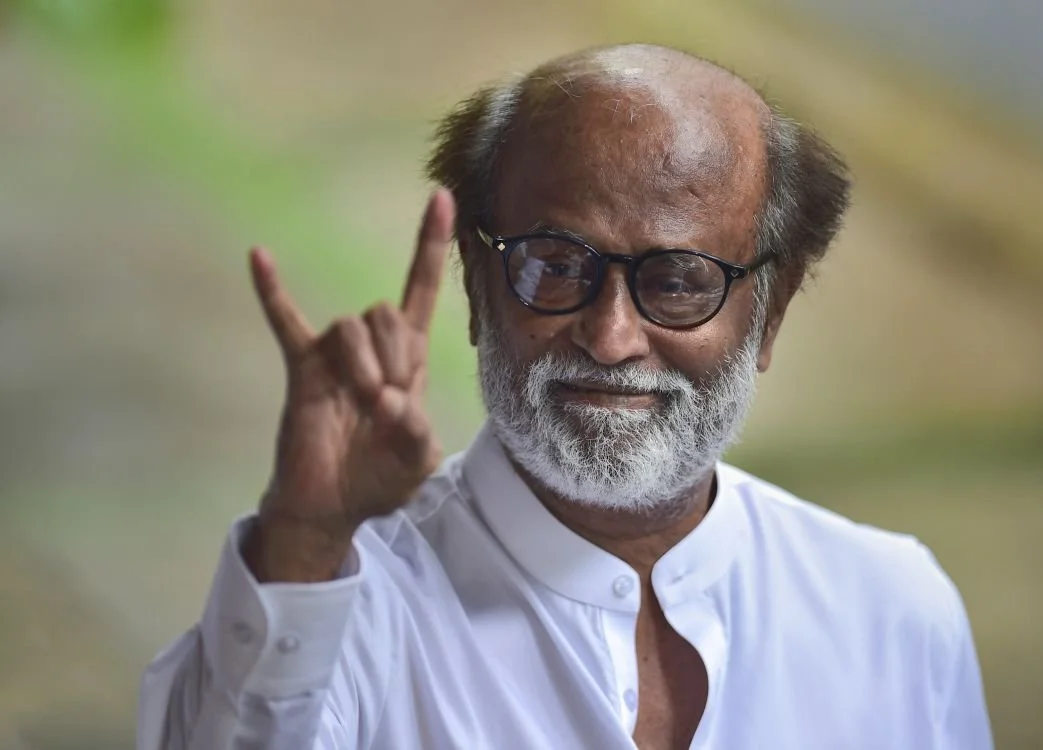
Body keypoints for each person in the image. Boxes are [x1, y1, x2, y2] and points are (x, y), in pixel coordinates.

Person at [137, 44, 993, 750]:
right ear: (477, 285)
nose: (612, 337)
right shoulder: (344, 615)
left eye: (680, 280)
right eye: (555, 265)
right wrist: (303, 541)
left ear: (769, 311)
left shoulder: (892, 612)